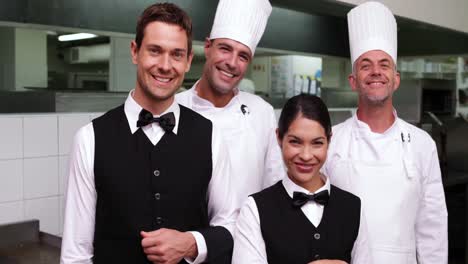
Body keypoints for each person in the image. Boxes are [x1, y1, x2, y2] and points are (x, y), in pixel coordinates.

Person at [60, 3, 236, 264]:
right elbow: (76, 254)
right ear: (135, 52)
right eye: (155, 51)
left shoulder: (210, 136)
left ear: (188, 61)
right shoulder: (90, 139)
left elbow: (230, 225)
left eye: (177, 54)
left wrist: (191, 243)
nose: (165, 66)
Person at [323, 2, 448, 263]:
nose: (376, 71)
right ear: (353, 80)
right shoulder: (331, 141)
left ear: (396, 78)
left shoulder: (422, 144)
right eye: (365, 65)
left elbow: (432, 227)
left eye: (384, 64)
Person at [233, 94, 370, 264]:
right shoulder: (255, 209)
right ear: (279, 137)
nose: (306, 156)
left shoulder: (353, 207)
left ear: (329, 140)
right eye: (295, 142)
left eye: (317, 143)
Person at [176, 0, 284, 209]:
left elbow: (274, 185)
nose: (232, 63)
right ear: (208, 47)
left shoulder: (262, 112)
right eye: (225, 49)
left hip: (248, 237)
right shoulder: (174, 109)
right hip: (189, 238)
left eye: (243, 56)